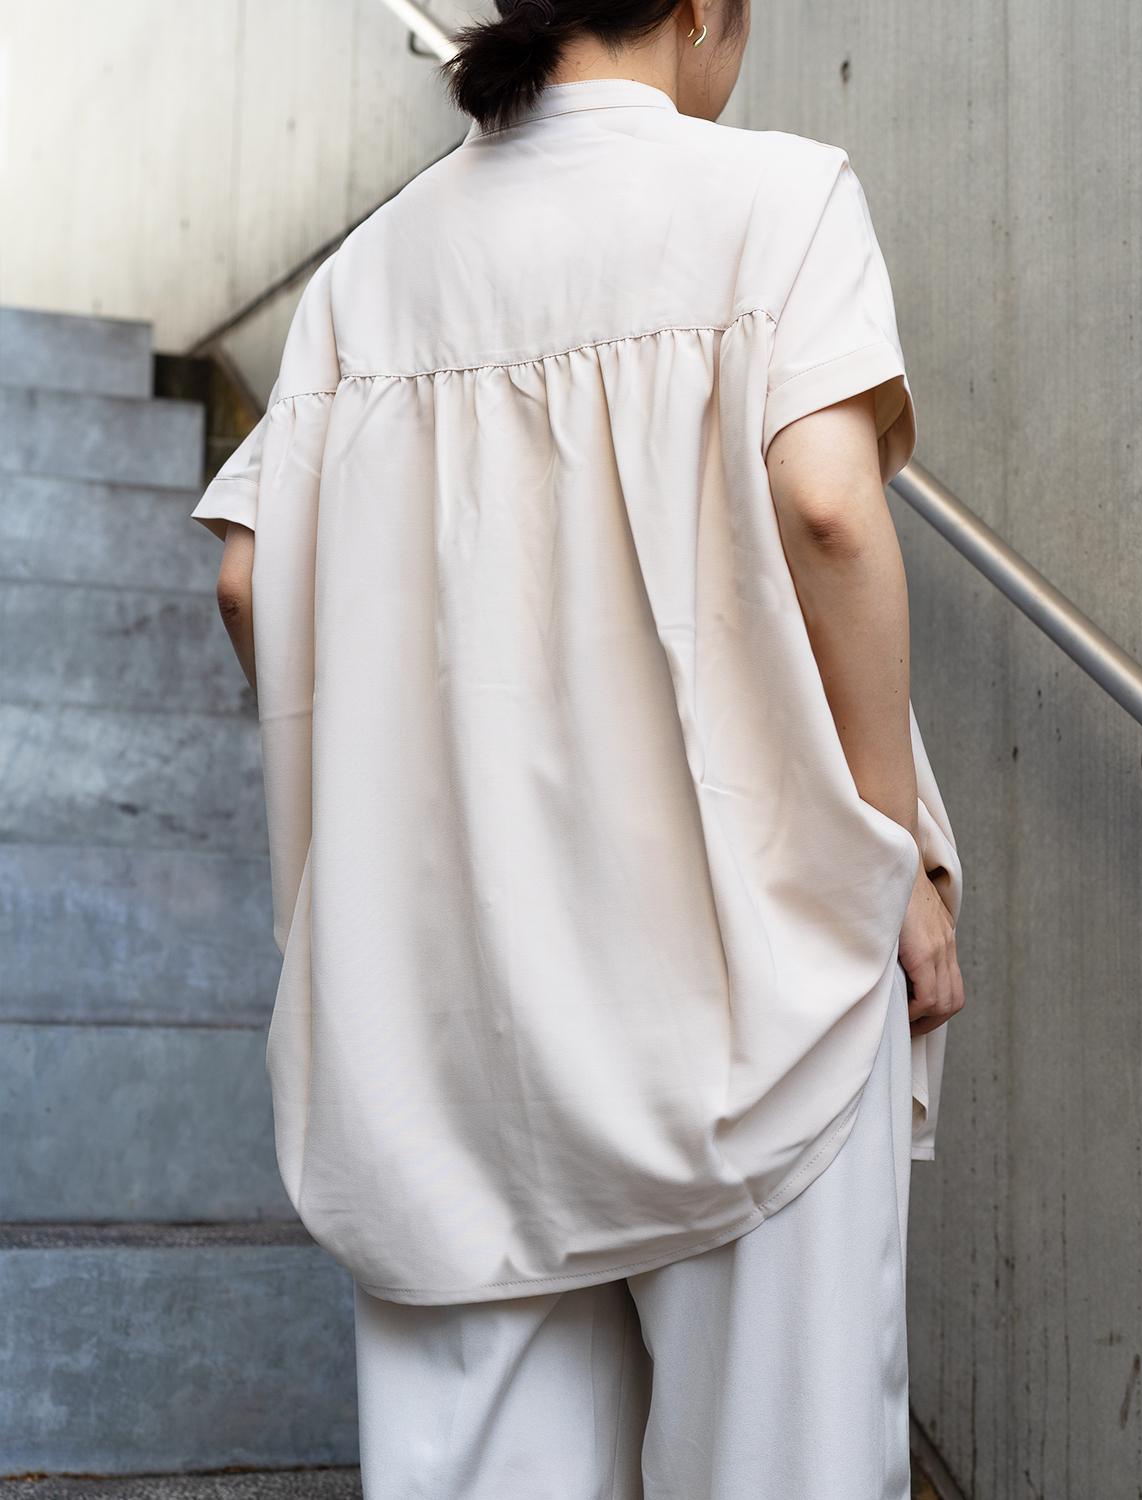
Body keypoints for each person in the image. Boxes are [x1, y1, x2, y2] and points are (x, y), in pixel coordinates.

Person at [191, 1, 966, 1494]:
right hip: (749, 978)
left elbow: (246, 574)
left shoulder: (371, 270)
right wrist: (893, 849)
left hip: (455, 1017)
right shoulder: (777, 198)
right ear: (700, 9)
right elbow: (827, 503)